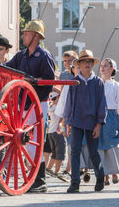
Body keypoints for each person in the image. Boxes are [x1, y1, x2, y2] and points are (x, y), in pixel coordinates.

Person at [6, 19, 55, 192]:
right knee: (22, 141)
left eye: (26, 33)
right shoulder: (21, 55)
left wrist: (33, 81)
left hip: (37, 103)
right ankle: (30, 177)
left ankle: (40, 180)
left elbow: (49, 81)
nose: (22, 35)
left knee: (35, 141)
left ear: (35, 36)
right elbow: (6, 69)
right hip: (23, 105)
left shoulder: (44, 56)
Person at [63, 49, 106, 193]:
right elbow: (69, 103)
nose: (87, 64)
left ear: (92, 64)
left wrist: (99, 124)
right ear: (79, 65)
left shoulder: (98, 82)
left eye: (89, 61)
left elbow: (102, 103)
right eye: (83, 61)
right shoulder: (74, 82)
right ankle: (75, 183)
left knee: (93, 152)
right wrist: (67, 122)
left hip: (92, 122)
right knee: (74, 151)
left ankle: (100, 176)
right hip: (76, 122)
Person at [98, 58, 119, 186]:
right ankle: (105, 174)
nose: (102, 68)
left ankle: (115, 172)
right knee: (100, 146)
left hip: (111, 116)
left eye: (105, 66)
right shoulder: (97, 83)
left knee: (112, 145)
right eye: (101, 65)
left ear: (112, 69)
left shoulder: (116, 85)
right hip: (99, 116)